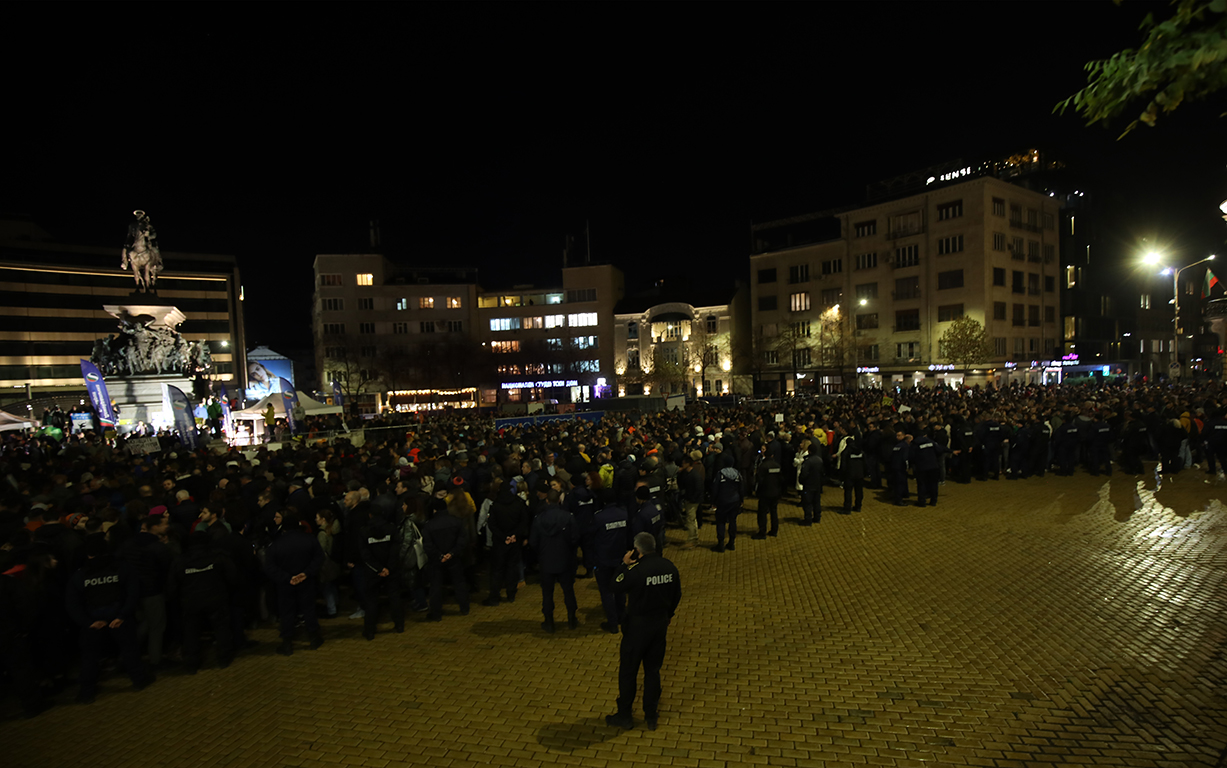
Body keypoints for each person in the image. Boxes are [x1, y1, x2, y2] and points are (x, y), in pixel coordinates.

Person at [605, 532, 681, 732]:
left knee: (629, 672)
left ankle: (625, 715)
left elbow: (614, 586)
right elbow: (677, 594)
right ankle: (651, 715)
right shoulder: (669, 567)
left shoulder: (636, 570)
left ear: (637, 550)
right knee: (653, 671)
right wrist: (669, 614)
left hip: (637, 628)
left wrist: (624, 564)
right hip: (659, 626)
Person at [65, 536, 154, 703]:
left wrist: (88, 623)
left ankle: (86, 692)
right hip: (118, 617)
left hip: (93, 620)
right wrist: (122, 615)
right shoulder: (121, 567)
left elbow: (72, 603)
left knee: (89, 657)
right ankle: (139, 680)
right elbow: (132, 593)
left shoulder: (80, 575)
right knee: (129, 650)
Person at [264, 511, 325, 655]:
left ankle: (287, 643)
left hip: (286, 584)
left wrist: (287, 577)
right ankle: (314, 638)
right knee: (309, 609)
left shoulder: (276, 545)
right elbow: (319, 558)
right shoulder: (309, 539)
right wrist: (306, 573)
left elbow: (270, 567)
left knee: (287, 612)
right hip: (306, 581)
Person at [530, 489, 579, 632]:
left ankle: (549, 622)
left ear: (546, 500)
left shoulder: (539, 519)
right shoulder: (568, 517)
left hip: (546, 560)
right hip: (565, 559)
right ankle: (571, 619)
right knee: (568, 591)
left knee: (547, 592)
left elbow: (533, 541)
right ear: (559, 500)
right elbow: (575, 538)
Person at [358, 507, 404, 640]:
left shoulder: (364, 531)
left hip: (373, 572)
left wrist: (378, 569)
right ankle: (399, 625)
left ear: (370, 515)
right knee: (394, 597)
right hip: (392, 570)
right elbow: (396, 549)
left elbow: (365, 554)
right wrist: (388, 567)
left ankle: (369, 630)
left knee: (371, 600)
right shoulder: (391, 528)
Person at [752, 452, 782, 538]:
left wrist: (757, 491)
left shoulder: (763, 466)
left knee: (762, 513)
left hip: (765, 493)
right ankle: (774, 530)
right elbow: (781, 479)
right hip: (775, 492)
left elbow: (759, 480)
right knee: (774, 512)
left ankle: (762, 532)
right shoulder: (777, 465)